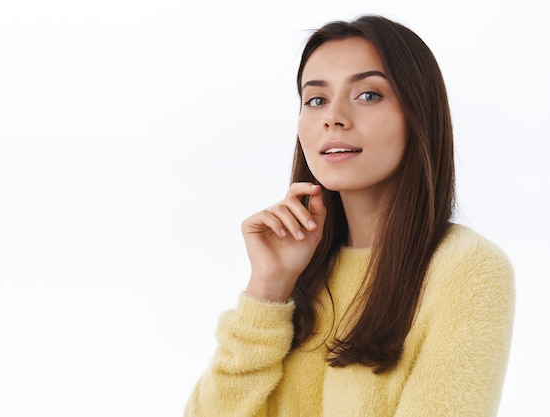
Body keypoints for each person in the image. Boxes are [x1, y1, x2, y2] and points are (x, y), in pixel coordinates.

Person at [184, 15, 514, 417]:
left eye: (368, 95)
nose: (333, 117)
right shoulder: (301, 269)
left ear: (417, 114)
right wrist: (268, 288)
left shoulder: (468, 270)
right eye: (316, 99)